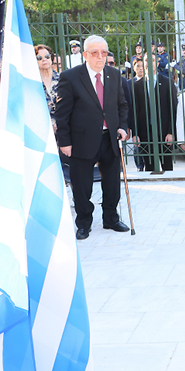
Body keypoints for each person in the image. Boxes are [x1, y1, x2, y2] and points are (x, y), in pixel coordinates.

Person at [54, 35, 130, 240]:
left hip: (110, 138)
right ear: (85, 54)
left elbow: (121, 106)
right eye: (95, 53)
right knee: (82, 185)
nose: (100, 57)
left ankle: (111, 219)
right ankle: (84, 223)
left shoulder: (114, 75)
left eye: (103, 53)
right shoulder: (70, 77)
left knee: (113, 183)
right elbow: (62, 113)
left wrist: (123, 127)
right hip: (81, 140)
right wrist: (65, 142)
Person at [134, 53, 178, 172]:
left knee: (167, 168)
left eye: (152, 60)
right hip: (145, 133)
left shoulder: (167, 82)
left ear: (157, 63)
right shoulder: (137, 85)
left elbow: (173, 108)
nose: (149, 63)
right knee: (149, 168)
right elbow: (135, 111)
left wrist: (171, 132)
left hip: (164, 133)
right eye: (146, 60)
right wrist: (135, 133)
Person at [36, 44, 60, 130]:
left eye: (47, 56)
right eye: (39, 58)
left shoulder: (63, 79)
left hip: (64, 128)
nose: (44, 59)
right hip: (42, 129)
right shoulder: (33, 83)